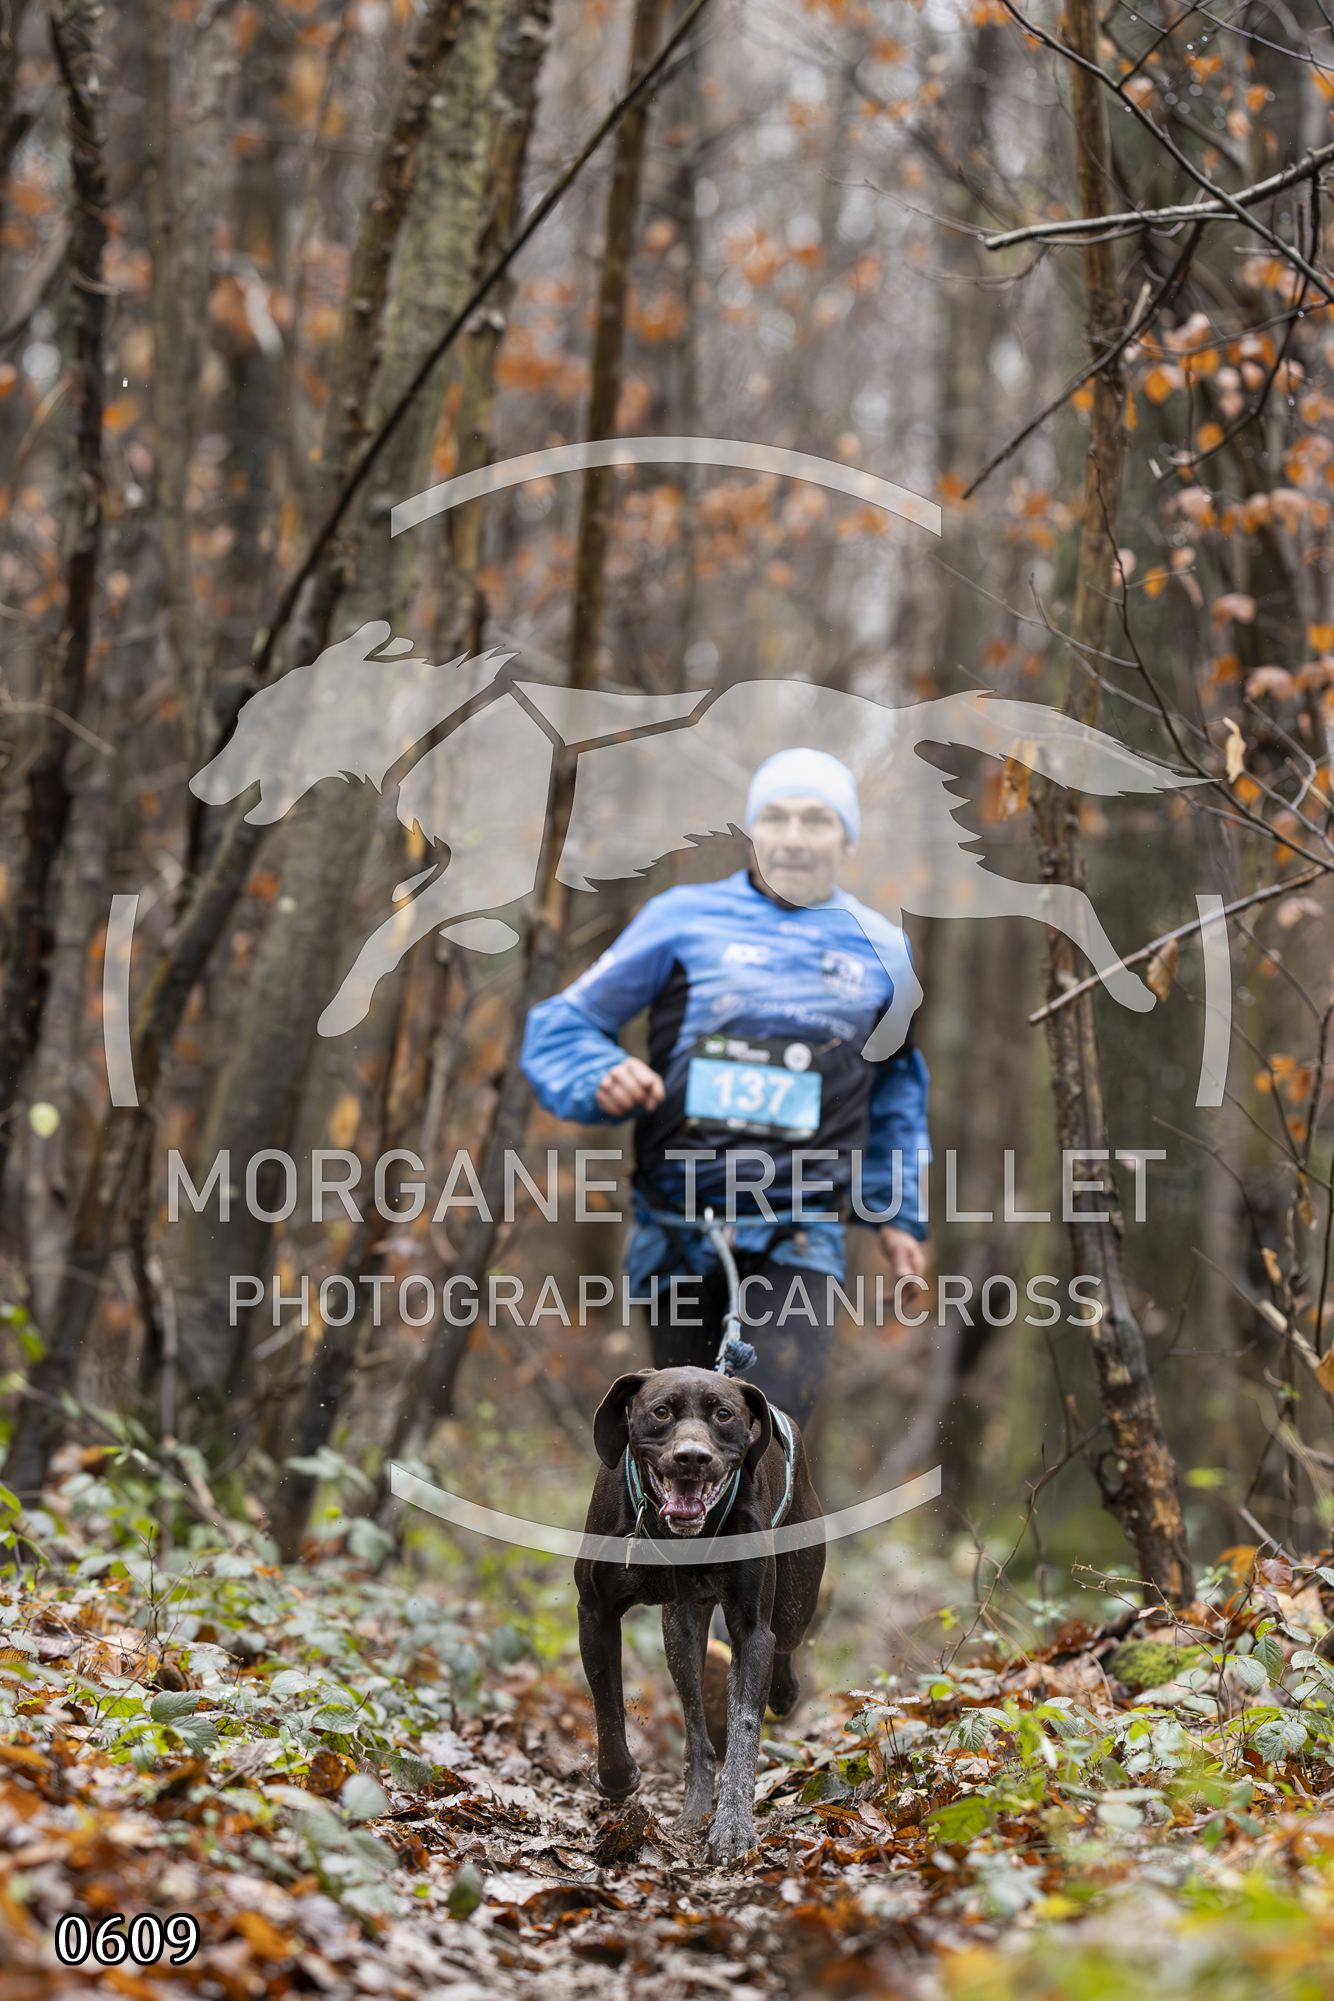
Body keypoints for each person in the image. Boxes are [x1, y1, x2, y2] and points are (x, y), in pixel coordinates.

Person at [520, 746, 930, 1429]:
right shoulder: (681, 920)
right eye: (775, 817)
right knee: (680, 1438)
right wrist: (599, 1073)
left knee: (763, 1431)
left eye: (817, 820)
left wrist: (897, 1213)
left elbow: (895, 1094)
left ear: (848, 840)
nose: (792, 837)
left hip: (800, 1233)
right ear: (751, 830)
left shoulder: (883, 949)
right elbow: (561, 1025)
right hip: (679, 1228)